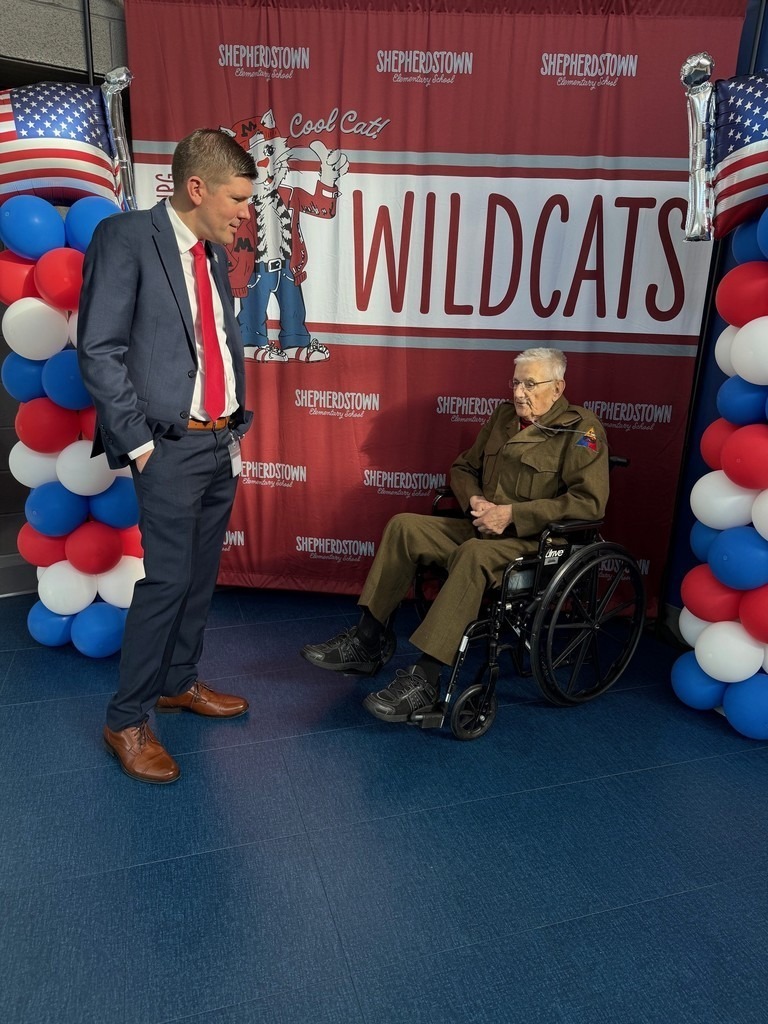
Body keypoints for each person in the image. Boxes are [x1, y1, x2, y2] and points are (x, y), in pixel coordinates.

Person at [78, 129, 257, 783]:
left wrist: (234, 424)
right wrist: (142, 444)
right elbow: (98, 349)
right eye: (238, 199)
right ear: (197, 188)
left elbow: (206, 346)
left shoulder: (211, 253)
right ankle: (126, 719)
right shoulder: (124, 239)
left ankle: (179, 681)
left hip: (219, 440)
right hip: (169, 447)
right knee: (167, 583)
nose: (245, 212)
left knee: (201, 575)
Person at [300, 348, 610, 723]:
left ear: (558, 387)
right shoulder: (503, 417)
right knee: (404, 526)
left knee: (474, 555)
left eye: (530, 384)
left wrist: (513, 514)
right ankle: (367, 641)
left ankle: (425, 680)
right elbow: (464, 466)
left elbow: (588, 503)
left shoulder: (582, 430)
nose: (518, 393)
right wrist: (475, 499)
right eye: (515, 382)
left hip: (535, 543)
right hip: (482, 525)